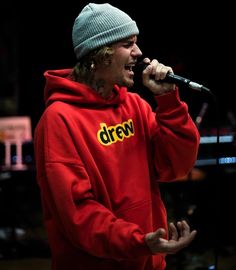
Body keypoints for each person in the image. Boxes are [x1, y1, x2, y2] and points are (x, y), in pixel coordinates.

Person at [33, 3, 200, 270]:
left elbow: (176, 166)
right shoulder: (58, 120)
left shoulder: (135, 106)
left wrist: (168, 100)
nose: (139, 52)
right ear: (100, 54)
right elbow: (79, 213)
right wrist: (138, 241)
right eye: (128, 44)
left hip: (147, 260)